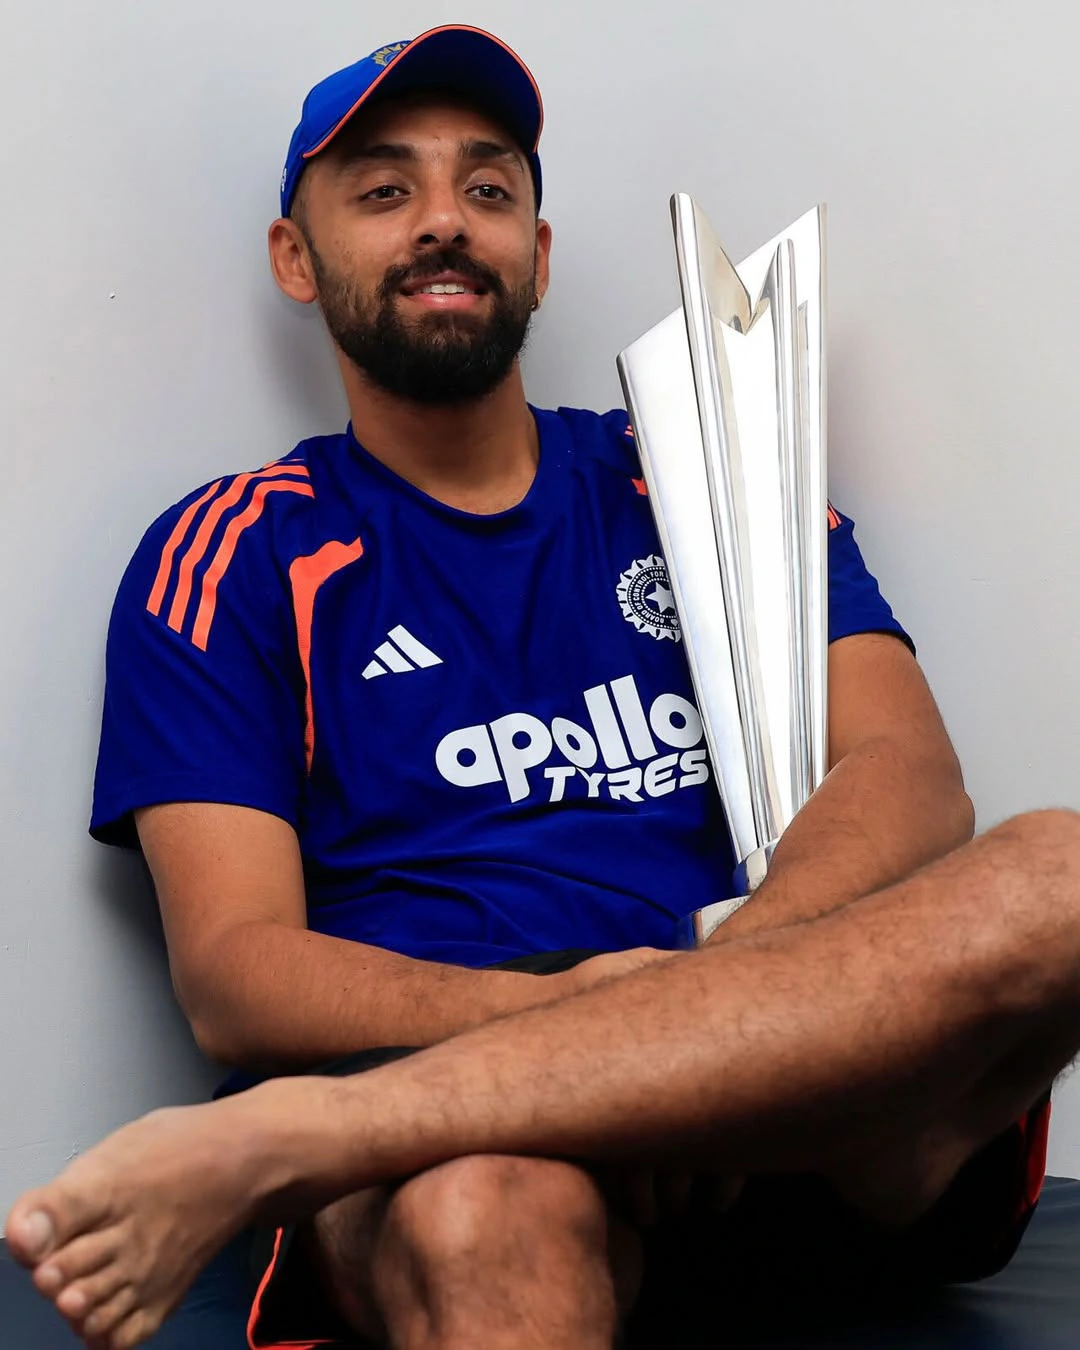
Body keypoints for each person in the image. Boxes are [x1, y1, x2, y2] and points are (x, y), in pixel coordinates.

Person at [7, 21, 1075, 1350]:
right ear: (298, 257)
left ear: (540, 255)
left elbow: (916, 782)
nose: (445, 221)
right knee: (482, 1207)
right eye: (386, 190)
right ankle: (393, 1125)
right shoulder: (232, 549)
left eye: (490, 188)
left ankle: (312, 1133)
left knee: (1063, 871)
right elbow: (238, 976)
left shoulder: (698, 474)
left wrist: (716, 1004)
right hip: (459, 1145)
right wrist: (572, 1025)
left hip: (798, 1115)